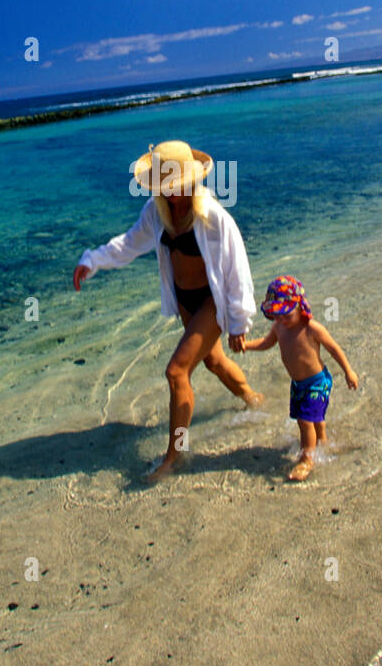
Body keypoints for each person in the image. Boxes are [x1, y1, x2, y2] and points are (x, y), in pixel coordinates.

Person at [73, 140, 263, 483]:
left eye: (176, 186)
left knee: (176, 372)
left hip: (210, 301)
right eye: (165, 187)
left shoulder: (213, 217)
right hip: (183, 300)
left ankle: (175, 455)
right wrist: (92, 260)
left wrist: (238, 321)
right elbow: (130, 243)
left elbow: (237, 269)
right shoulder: (156, 212)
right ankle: (253, 398)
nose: (171, 193)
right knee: (213, 361)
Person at [243, 275, 358, 481]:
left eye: (286, 314)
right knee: (312, 420)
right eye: (277, 315)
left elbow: (334, 349)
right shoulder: (279, 327)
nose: (281, 320)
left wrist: (349, 371)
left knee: (306, 421)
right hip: (298, 384)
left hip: (317, 382)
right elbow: (266, 343)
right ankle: (322, 441)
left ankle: (307, 459)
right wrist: (246, 345)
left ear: (300, 306)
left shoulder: (312, 328)